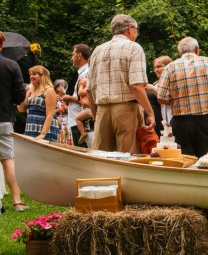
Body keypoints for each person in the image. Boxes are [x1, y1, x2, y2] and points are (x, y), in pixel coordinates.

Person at [87, 14, 155, 153]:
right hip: (127, 110)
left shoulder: (97, 50)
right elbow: (136, 84)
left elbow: (89, 89)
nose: (137, 34)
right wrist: (150, 113)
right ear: (130, 29)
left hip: (102, 110)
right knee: (127, 158)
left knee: (101, 157)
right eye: (136, 30)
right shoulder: (134, 47)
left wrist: (96, 116)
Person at [158, 37, 208, 157]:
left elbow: (161, 97)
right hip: (206, 123)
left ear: (180, 52)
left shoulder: (170, 67)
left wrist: (177, 100)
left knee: (184, 161)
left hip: (180, 123)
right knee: (207, 161)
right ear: (197, 49)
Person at [0, 30, 29, 212]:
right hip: (3, 118)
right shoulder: (11, 66)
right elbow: (19, 97)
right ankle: (17, 201)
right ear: (2, 44)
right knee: (8, 159)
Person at [18, 65, 59, 142]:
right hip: (31, 127)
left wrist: (43, 134)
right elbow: (21, 109)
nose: (31, 76)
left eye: (34, 74)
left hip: (45, 130)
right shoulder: (30, 91)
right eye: (30, 74)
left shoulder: (49, 90)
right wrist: (25, 94)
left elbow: (50, 114)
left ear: (42, 76)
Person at [61, 44, 92, 148]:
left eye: (73, 54)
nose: (71, 58)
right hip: (77, 120)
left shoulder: (86, 73)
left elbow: (86, 98)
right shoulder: (83, 72)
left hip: (82, 121)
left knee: (83, 153)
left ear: (79, 55)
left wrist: (68, 98)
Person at [146, 55, 172, 135]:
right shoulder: (156, 83)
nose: (156, 70)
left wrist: (152, 88)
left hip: (170, 120)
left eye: (159, 67)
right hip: (157, 122)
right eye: (155, 68)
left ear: (168, 67)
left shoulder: (172, 81)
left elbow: (169, 97)